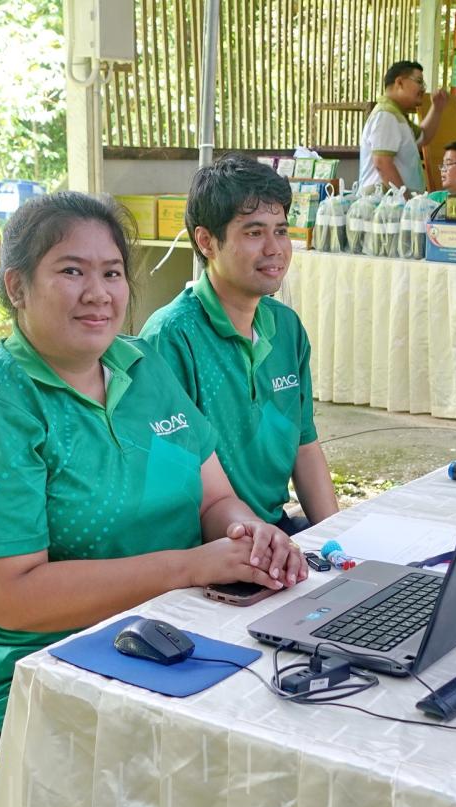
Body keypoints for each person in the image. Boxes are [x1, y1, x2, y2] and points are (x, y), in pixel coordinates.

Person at [0, 192, 306, 750]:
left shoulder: (140, 365)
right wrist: (189, 567)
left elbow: (213, 500)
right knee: (229, 755)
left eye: (112, 272)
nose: (98, 294)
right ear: (17, 287)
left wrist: (248, 533)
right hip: (38, 666)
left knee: (301, 705)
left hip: (175, 624)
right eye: (71, 271)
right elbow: (12, 598)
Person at [140, 154, 338, 535]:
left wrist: (338, 540)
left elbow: (304, 446)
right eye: (253, 232)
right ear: (206, 241)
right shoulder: (171, 336)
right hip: (206, 547)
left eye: (281, 230)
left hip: (275, 531)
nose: (274, 248)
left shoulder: (286, 328)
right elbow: (172, 484)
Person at [358, 60, 450, 194]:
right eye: (419, 82)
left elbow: (423, 137)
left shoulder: (397, 116)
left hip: (392, 199)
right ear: (399, 82)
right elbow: (382, 163)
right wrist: (405, 198)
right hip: (386, 201)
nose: (423, 88)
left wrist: (437, 108)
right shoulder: (386, 115)